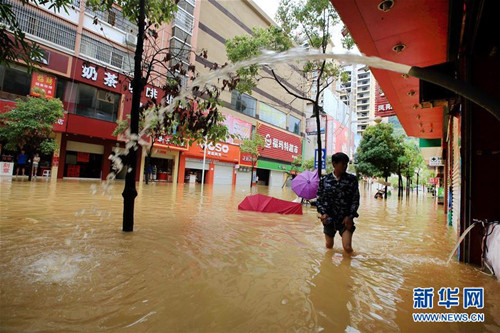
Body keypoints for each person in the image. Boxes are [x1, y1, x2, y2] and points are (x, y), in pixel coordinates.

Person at [316, 152, 360, 253]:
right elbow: (319, 199)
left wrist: (350, 216)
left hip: (345, 219)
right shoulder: (324, 180)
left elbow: (355, 200)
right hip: (329, 218)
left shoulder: (352, 180)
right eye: (343, 164)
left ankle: (348, 267)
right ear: (334, 164)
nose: (345, 166)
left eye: (346, 164)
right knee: (329, 245)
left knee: (347, 248)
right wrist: (323, 213)